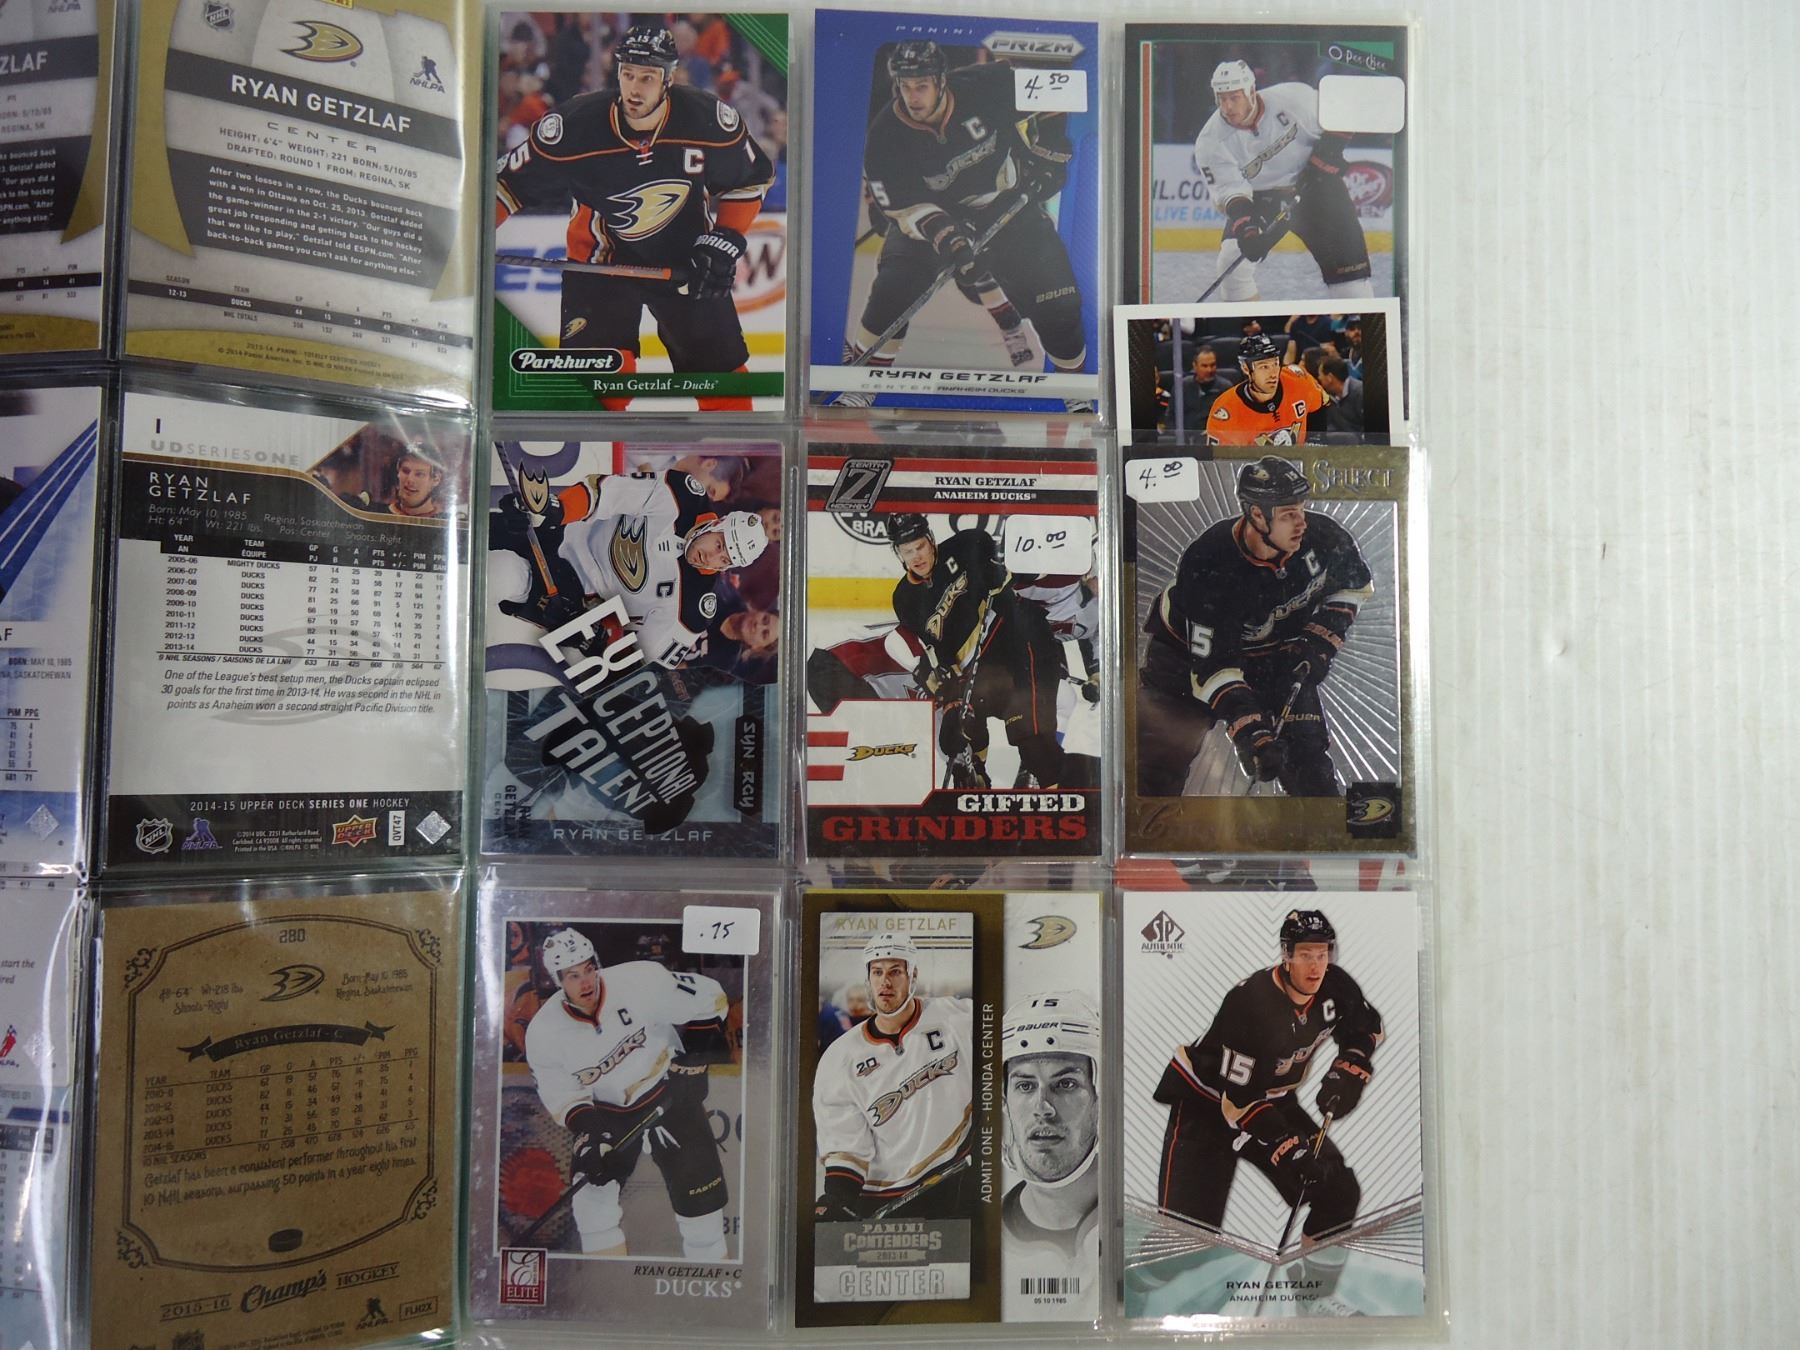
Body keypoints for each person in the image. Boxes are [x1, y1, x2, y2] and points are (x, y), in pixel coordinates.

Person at [494, 25, 774, 411]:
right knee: (600, 392)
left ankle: (732, 452)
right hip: (600, 264)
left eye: (647, 77)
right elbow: (505, 185)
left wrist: (727, 236)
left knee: (725, 386)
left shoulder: (706, 120)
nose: (634, 89)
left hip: (686, 260)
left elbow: (751, 178)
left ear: (668, 79)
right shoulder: (575, 126)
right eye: (627, 74)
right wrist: (472, 238)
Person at [1149, 910, 1382, 1315]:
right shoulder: (1250, 1003)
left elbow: (1366, 1027)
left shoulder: (1334, 985)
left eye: (1322, 954)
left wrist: (1351, 1064)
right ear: (1286, 955)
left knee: (1338, 1190)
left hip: (1271, 1096)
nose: (1316, 966)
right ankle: (1133, 1290)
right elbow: (1237, 1101)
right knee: (1184, 1243)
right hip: (1207, 1103)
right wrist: (1287, 1146)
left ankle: (1313, 1300)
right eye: (1305, 955)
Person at [839, 41, 1088, 406]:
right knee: (894, 288)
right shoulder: (884, 135)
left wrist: (1048, 152)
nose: (912, 97)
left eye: (921, 85)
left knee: (1059, 305)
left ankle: (1075, 393)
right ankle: (861, 383)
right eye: (905, 86)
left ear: (942, 81)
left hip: (1003, 202)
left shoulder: (986, 84)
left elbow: (1063, 90)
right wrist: (950, 239)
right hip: (934, 218)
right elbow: (903, 204)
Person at [1136, 456, 1373, 798]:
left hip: (1277, 654)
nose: (1301, 523)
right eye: (1288, 514)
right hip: (1185, 658)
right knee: (1157, 768)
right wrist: (1251, 731)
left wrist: (1320, 639)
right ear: (1258, 515)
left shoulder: (1322, 536)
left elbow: (1354, 586)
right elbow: (1213, 670)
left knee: (1309, 765)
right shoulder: (1209, 563)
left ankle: (1325, 830)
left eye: (1301, 509)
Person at [522, 927, 734, 1259]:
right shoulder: (543, 1034)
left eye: (589, 968)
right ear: (557, 980)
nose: (586, 982)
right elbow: (563, 1095)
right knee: (591, 1203)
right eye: (573, 975)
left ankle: (710, 1280)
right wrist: (591, 1135)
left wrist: (695, 1060)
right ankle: (610, 1283)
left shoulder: (641, 981)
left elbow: (711, 997)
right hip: (608, 1112)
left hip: (669, 1093)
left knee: (703, 1215)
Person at [489, 467, 768, 668]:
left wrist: (596, 639)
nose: (711, 558)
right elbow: (609, 493)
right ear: (717, 524)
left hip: (568, 594)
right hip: (560, 531)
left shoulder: (693, 610)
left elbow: (643, 662)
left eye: (724, 560)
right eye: (719, 545)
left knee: (499, 573)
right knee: (477, 532)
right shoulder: (682, 494)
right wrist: (557, 509)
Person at [887, 513, 1068, 790]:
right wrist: (950, 701)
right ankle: (977, 775)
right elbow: (939, 655)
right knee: (964, 726)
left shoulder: (965, 545)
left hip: (1022, 642)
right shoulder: (904, 599)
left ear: (931, 540)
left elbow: (1013, 566)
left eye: (920, 546)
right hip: (984, 665)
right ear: (898, 554)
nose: (916, 557)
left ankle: (1063, 797)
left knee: (1032, 743)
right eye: (907, 551)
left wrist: (999, 576)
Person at [813, 934, 974, 1220]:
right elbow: (845, 1146)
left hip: (960, 1178)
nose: (885, 982)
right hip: (887, 1198)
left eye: (895, 972)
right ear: (868, 979)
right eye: (877, 972)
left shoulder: (959, 1018)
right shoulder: (840, 1057)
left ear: (913, 976)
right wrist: (838, 1199)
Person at [1191, 60, 1376, 302]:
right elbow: (1230, 191)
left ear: (1251, 91)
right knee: (1232, 265)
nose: (1227, 107)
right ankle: (1249, 324)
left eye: (1234, 97)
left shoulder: (1293, 98)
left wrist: (1327, 154)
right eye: (1221, 98)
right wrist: (1247, 227)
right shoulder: (1210, 141)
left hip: (1319, 187)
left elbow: (1342, 111)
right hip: (1261, 197)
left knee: (1351, 285)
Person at [1002, 992, 1101, 1306]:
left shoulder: (1145, 1225)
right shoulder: (983, 1241)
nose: (1042, 1108)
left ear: (1099, 1097)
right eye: (1025, 1086)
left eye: (1066, 1084)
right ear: (1004, 1102)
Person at [1204, 332, 1329, 447]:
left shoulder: (1298, 379)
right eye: (1264, 367)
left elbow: (1319, 404)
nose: (1273, 374)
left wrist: (1314, 443)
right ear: (1246, 368)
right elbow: (1219, 459)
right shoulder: (1226, 410)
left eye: (1275, 364)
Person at [1175, 342, 1235, 429]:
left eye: (1212, 365)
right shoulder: (1182, 386)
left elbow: (1232, 419)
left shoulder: (1226, 388)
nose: (1209, 370)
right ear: (1195, 366)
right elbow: (1171, 418)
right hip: (1187, 435)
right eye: (1204, 366)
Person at [386, 442, 447, 517]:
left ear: (436, 480)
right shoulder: (379, 514)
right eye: (405, 471)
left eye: (419, 474)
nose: (410, 479)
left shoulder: (444, 521)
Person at [1318, 357, 1365, 439]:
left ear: (1329, 377)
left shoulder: (1360, 392)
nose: (1319, 378)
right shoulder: (1326, 397)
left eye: (1320, 375)